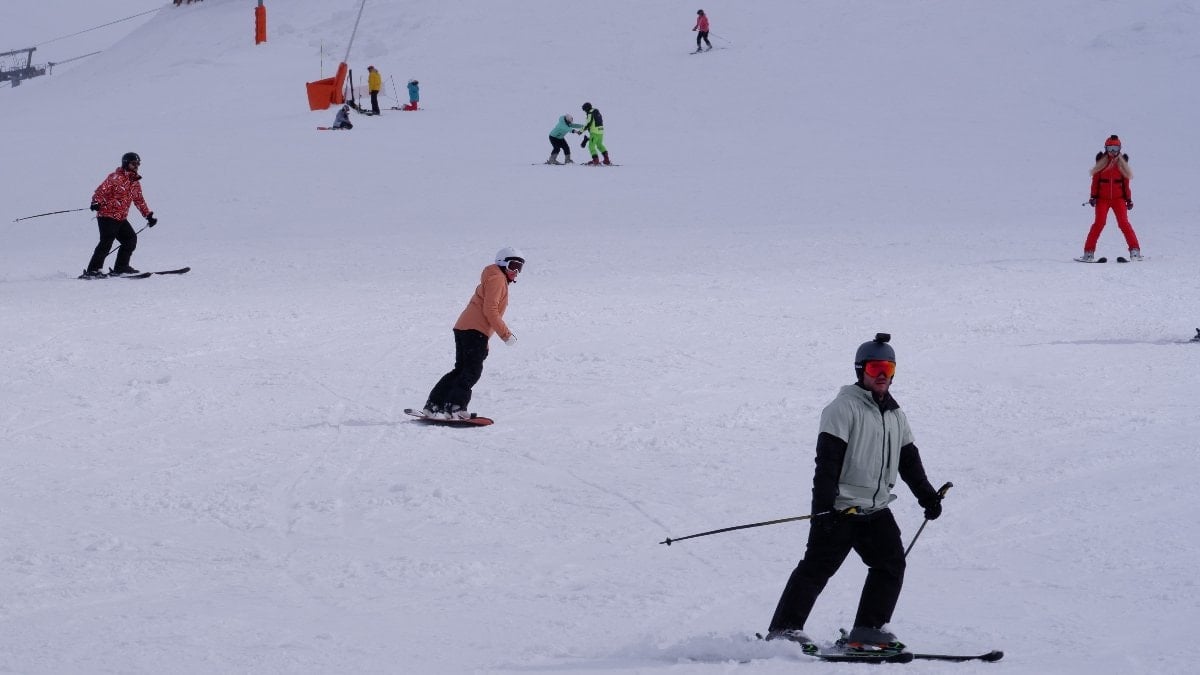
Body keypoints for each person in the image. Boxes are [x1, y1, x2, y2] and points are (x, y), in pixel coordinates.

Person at [765, 333, 944, 653]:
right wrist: (822, 510)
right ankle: (784, 631)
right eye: (876, 367)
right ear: (861, 370)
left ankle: (868, 630)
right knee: (816, 568)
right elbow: (827, 463)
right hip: (840, 509)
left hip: (875, 510)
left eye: (888, 369)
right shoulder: (842, 408)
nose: (882, 375)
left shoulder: (896, 415)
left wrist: (927, 496)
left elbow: (908, 460)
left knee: (891, 565)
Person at [422, 248, 524, 420]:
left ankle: (434, 405)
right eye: (513, 265)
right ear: (502, 263)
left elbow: (483, 312)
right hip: (474, 331)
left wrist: (485, 340)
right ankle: (455, 408)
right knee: (471, 371)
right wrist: (506, 335)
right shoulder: (498, 279)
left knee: (460, 370)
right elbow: (490, 310)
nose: (516, 271)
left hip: (466, 328)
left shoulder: (492, 277)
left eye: (519, 268)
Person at [83, 152, 157, 278]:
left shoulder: (134, 182)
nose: (136, 166)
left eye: (138, 164)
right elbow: (101, 191)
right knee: (106, 241)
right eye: (134, 163)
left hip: (120, 217)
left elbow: (139, 200)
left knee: (130, 239)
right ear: (126, 163)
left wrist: (148, 215)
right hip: (107, 215)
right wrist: (96, 202)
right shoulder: (115, 177)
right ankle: (93, 270)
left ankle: (121, 267)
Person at [1077, 134, 1141, 262]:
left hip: (1119, 200)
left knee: (1124, 223)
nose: (1113, 152)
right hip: (1103, 200)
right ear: (1106, 148)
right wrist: (1093, 197)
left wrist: (1128, 199)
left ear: (1119, 149)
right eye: (1110, 148)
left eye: (1115, 149)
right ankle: (1088, 252)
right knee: (1099, 223)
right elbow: (1095, 182)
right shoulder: (1101, 164)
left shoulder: (1122, 165)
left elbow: (1126, 185)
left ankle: (1135, 251)